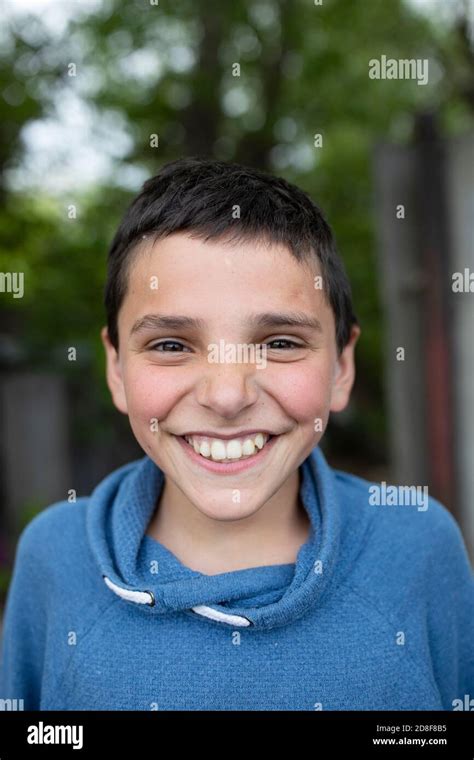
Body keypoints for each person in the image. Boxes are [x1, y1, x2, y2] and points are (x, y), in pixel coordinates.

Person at [0, 157, 472, 710]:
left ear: (342, 368)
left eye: (280, 343)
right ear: (117, 370)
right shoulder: (54, 556)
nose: (227, 396)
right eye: (171, 345)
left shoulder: (418, 546)